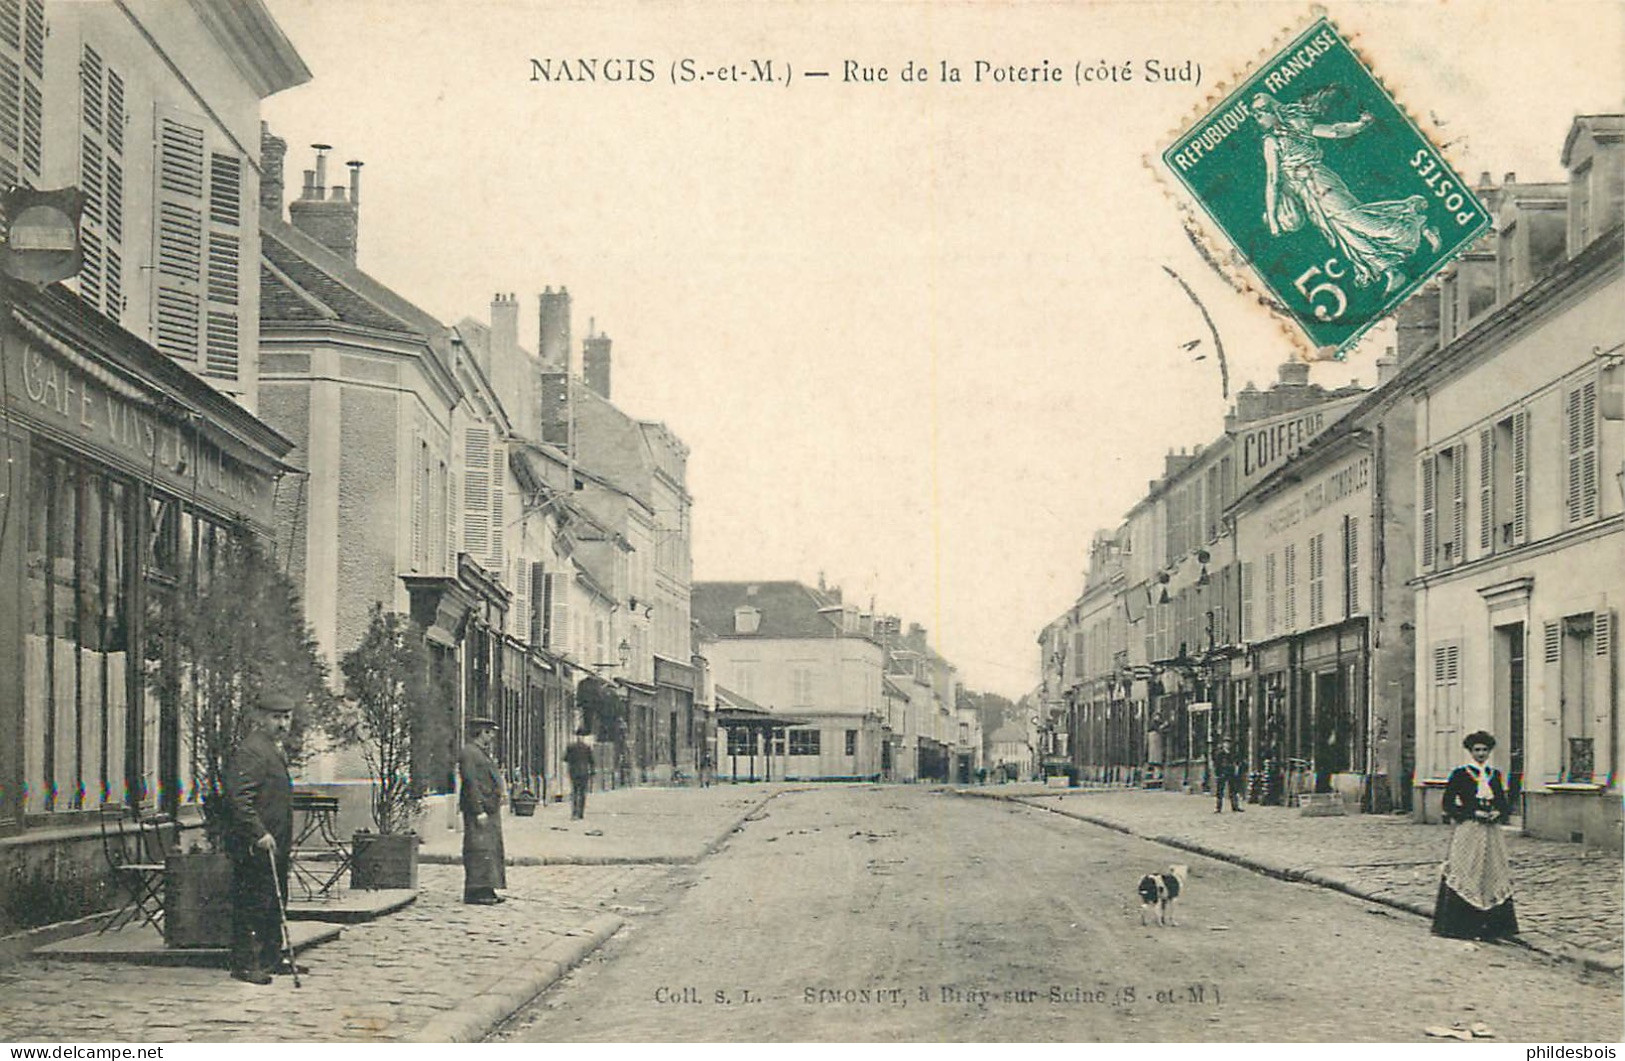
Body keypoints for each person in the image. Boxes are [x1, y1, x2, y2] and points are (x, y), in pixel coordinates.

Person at [1253, 87, 1441, 296]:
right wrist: (1360, 125)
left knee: (1356, 220)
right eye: (1256, 114)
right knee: (1344, 233)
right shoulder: (1280, 135)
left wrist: (1272, 219)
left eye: (1261, 112)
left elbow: (1274, 180)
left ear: (1273, 110)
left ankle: (1418, 223)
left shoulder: (1282, 135)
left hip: (1320, 184)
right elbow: (1334, 131)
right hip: (1309, 194)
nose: (1259, 118)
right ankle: (1390, 271)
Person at [224, 692, 297, 985]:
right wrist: (259, 833)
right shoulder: (252, 750)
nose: (282, 724)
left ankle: (271, 957)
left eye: (286, 717)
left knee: (273, 901)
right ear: (260, 718)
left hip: (275, 842)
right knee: (253, 902)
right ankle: (245, 963)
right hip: (256, 844)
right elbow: (240, 799)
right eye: (275, 717)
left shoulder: (273, 749)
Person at [1432, 731, 1519, 941]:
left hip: (1491, 832)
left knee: (1492, 870)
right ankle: (1460, 926)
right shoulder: (1460, 775)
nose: (1481, 754)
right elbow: (1448, 804)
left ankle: (1492, 928)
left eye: (1484, 750)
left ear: (1489, 752)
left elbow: (1502, 802)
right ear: (1470, 752)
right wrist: (1472, 813)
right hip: (1469, 830)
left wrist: (1499, 812)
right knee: (1466, 869)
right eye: (1477, 750)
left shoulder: (1494, 775)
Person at [457, 717, 506, 905]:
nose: (492, 736)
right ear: (481, 732)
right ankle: (475, 892)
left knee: (490, 850)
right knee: (478, 849)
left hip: (489, 807)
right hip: (479, 809)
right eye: (489, 732)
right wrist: (478, 810)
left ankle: (487, 888)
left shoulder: (480, 753)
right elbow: (470, 783)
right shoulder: (469, 753)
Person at [565, 728, 595, 820]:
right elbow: (592, 761)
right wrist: (592, 772)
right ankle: (581, 813)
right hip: (584, 773)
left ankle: (574, 812)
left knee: (574, 792)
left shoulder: (571, 747)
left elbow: (566, 759)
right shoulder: (587, 748)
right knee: (582, 793)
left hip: (574, 772)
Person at [1212, 739, 1244, 813]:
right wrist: (1218, 774)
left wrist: (1235, 769)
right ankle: (1218, 807)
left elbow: (1235, 762)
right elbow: (1216, 764)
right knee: (1220, 791)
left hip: (1231, 773)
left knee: (1233, 790)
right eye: (1226, 743)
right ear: (1223, 744)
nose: (1227, 745)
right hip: (1222, 774)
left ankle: (1235, 806)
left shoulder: (1232, 753)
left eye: (1229, 743)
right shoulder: (1219, 754)